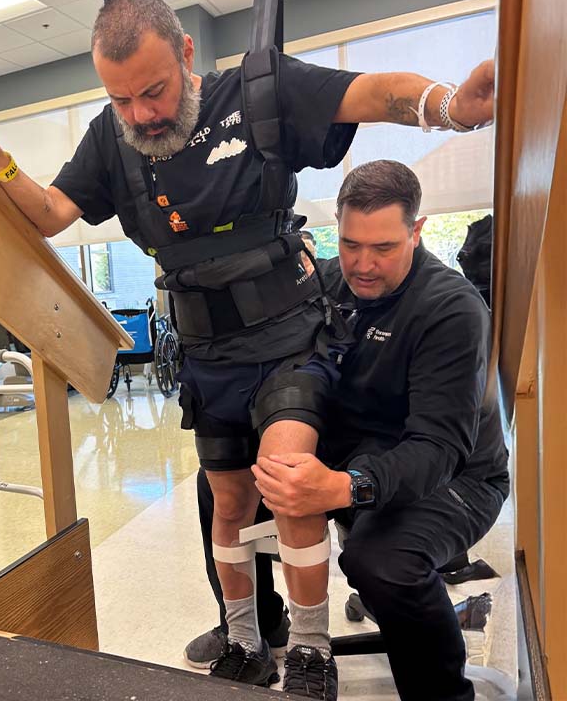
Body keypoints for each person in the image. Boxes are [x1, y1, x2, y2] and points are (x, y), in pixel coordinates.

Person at [0, 0, 495, 697]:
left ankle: (311, 652)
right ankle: (247, 638)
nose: (141, 114)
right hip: (209, 358)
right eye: (123, 98)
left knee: (288, 485)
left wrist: (453, 107)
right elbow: (50, 213)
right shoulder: (113, 137)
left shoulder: (258, 92)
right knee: (227, 504)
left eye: (154, 91)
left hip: (290, 343)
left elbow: (373, 93)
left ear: (188, 55)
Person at [191, 160, 509, 701]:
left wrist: (341, 488)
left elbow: (438, 448)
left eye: (383, 248)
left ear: (417, 229)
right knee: (224, 486)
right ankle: (256, 634)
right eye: (350, 243)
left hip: (454, 475)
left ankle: (441, 693)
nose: (363, 264)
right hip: (350, 452)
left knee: (382, 563)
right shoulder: (326, 282)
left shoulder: (451, 310)